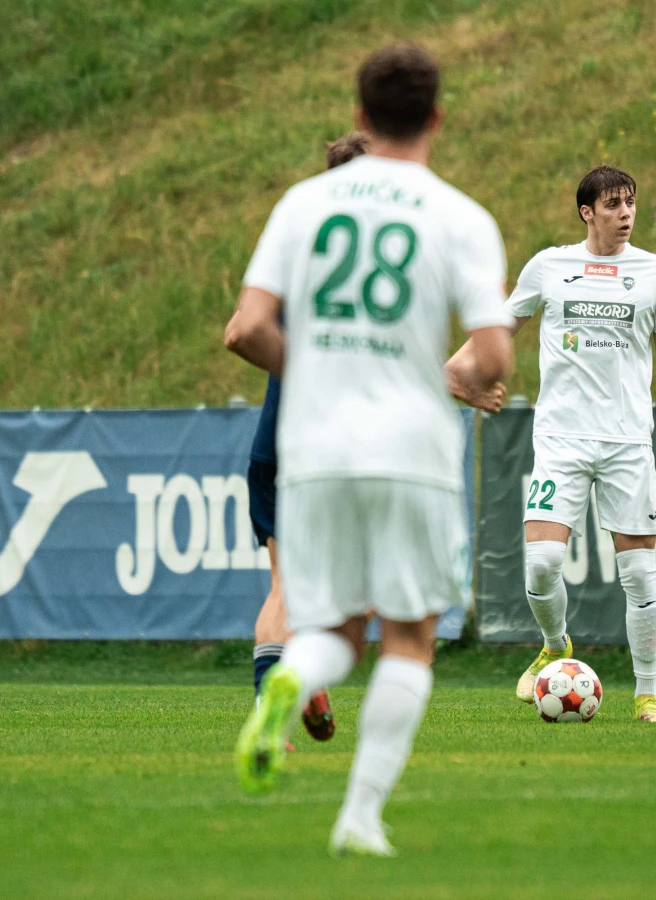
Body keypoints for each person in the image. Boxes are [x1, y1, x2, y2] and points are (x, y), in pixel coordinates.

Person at [224, 43, 513, 856]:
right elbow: (492, 358)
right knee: (409, 638)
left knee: (335, 630)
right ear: (437, 118)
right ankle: (359, 818)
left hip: (313, 450)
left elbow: (248, 329)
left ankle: (290, 677)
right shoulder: (460, 217)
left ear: (359, 115)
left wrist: (323, 368)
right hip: (409, 451)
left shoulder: (303, 206)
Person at [448, 166, 656, 724]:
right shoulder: (549, 267)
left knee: (640, 574)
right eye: (613, 205)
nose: (626, 214)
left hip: (628, 440)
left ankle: (647, 696)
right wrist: (453, 371)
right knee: (541, 565)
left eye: (631, 203)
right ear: (587, 212)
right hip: (561, 437)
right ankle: (556, 645)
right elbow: (499, 329)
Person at [247, 131, 372, 745]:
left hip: (274, 445)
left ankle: (273, 713)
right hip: (335, 445)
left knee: (284, 587)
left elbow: (244, 330)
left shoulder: (294, 244)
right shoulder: (379, 263)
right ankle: (305, 669)